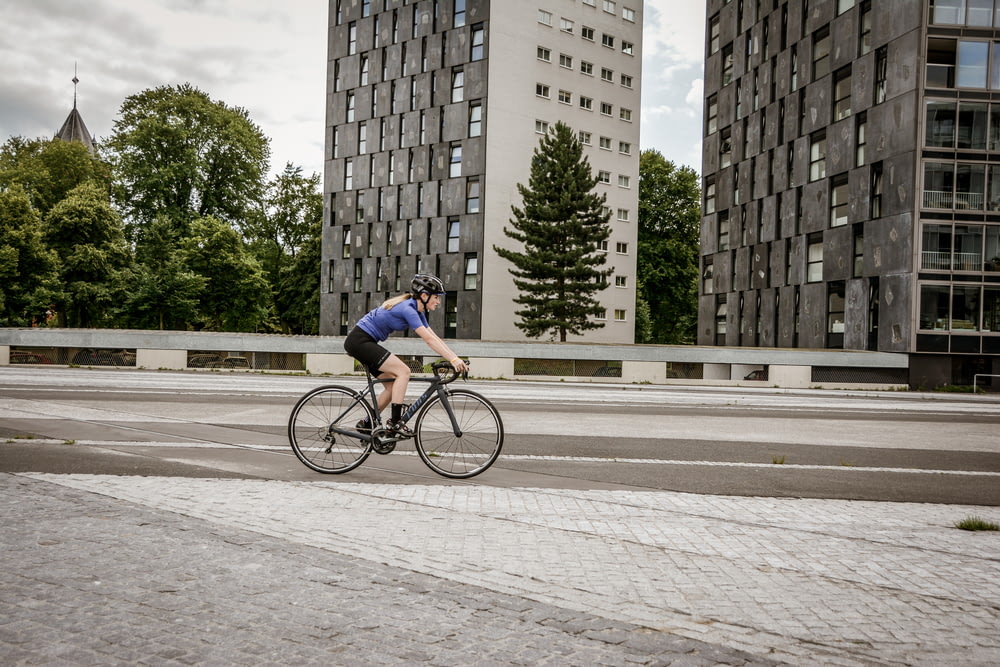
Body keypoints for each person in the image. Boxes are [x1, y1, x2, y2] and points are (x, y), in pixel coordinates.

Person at [343, 274, 468, 437]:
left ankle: (366, 423)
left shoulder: (417, 310)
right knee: (404, 371)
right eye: (436, 297)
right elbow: (429, 340)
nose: (438, 302)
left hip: (364, 341)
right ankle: (395, 423)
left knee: (392, 384)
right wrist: (452, 359)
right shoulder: (408, 309)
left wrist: (455, 357)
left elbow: (435, 337)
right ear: (424, 296)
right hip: (359, 341)